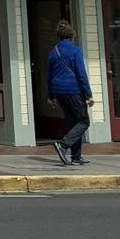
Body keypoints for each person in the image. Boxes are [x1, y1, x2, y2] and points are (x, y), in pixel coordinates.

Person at [46, 19, 93, 166]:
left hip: (59, 91)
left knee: (73, 123)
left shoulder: (53, 51)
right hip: (73, 90)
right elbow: (81, 74)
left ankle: (76, 157)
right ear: (72, 35)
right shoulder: (75, 50)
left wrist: (51, 96)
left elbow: (49, 75)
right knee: (84, 121)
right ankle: (63, 145)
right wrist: (88, 94)